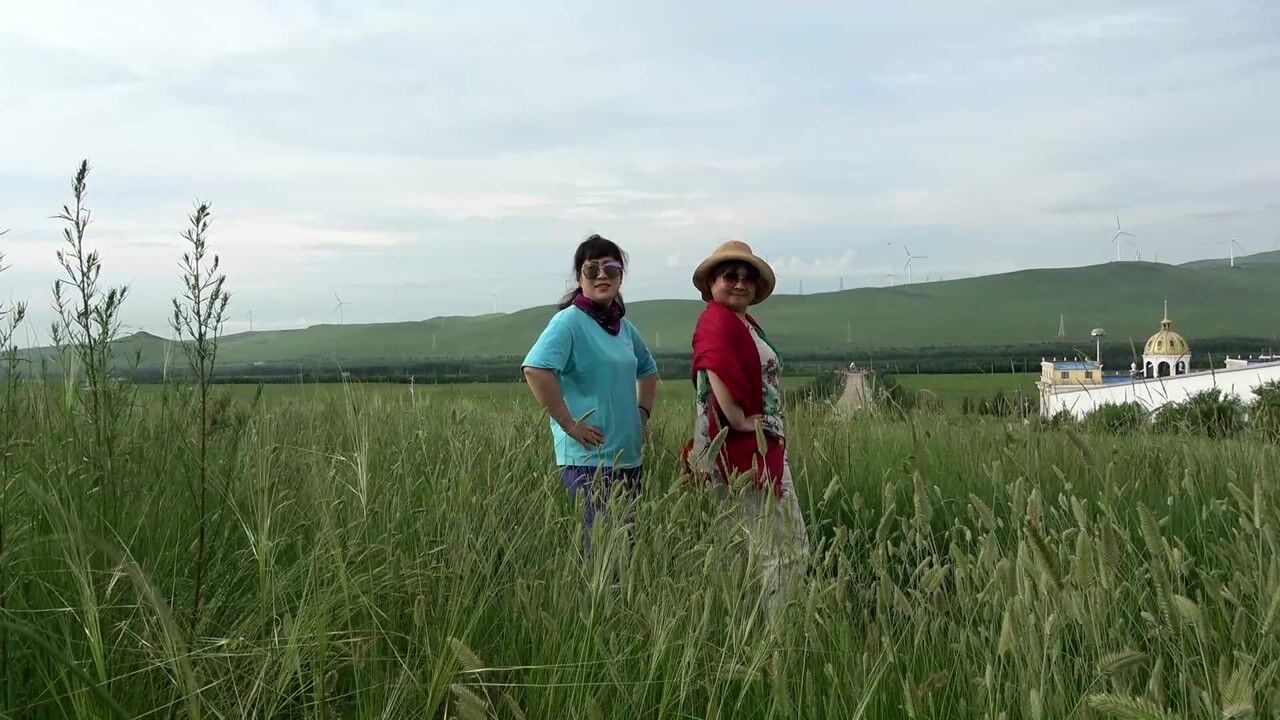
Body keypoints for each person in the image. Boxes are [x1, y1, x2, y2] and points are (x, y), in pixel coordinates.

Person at [683, 240, 810, 613]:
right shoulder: (716, 322)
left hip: (744, 448)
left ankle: (748, 631)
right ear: (712, 283)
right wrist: (738, 419)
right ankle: (781, 641)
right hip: (746, 451)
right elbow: (714, 364)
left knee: (746, 546)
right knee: (786, 548)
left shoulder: (738, 322)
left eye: (747, 277)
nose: (740, 283)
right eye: (730, 275)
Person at [522, 234, 659, 563]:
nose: (602, 275)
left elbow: (649, 372)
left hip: (627, 456)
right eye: (592, 268)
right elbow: (536, 369)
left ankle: (618, 612)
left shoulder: (624, 329)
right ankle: (595, 611)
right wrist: (569, 424)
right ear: (578, 276)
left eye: (611, 268)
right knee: (600, 552)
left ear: (621, 276)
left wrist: (642, 414)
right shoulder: (569, 322)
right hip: (587, 459)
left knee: (625, 547)